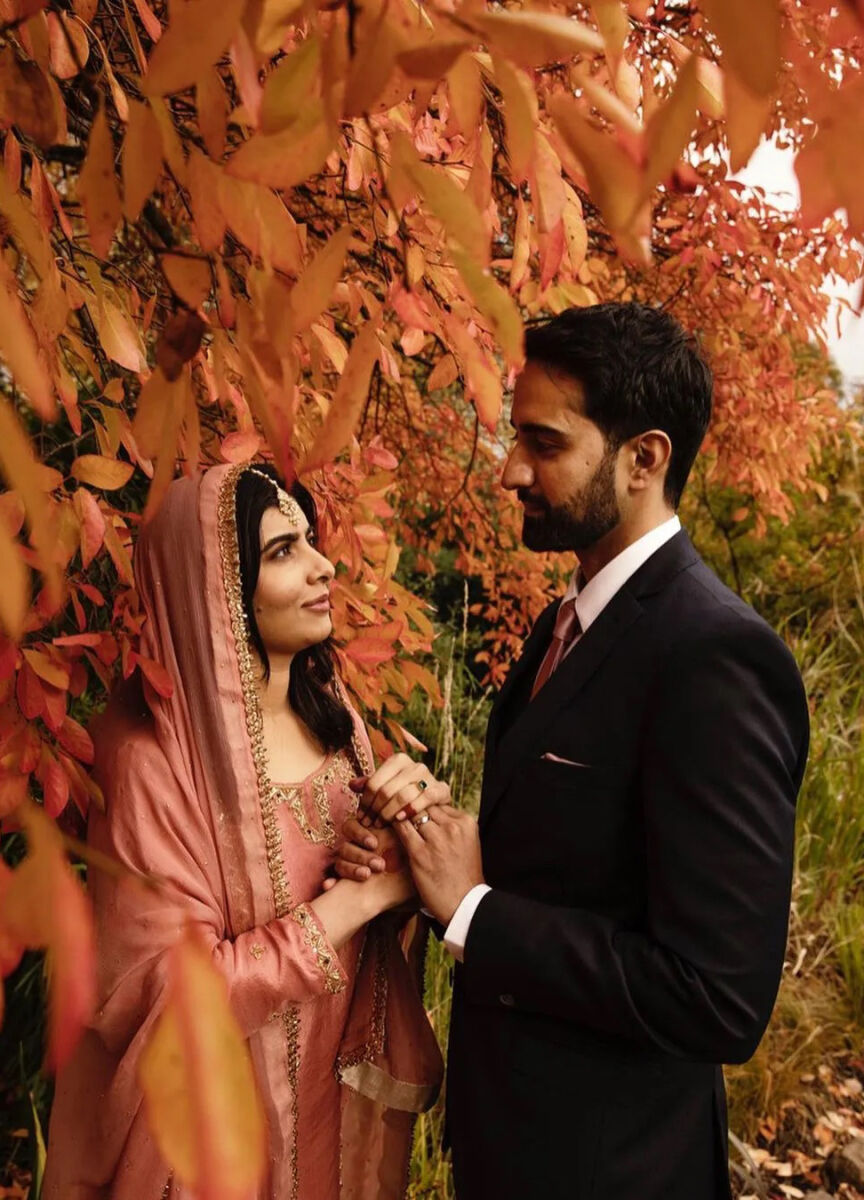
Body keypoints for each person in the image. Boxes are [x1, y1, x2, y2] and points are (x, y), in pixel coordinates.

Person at [335, 302, 810, 1200]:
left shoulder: (712, 655)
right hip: (511, 1149)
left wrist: (475, 912)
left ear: (645, 459)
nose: (510, 470)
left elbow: (717, 996)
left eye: (544, 444)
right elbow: (579, 860)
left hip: (615, 1170)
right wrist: (426, 862)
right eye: (515, 437)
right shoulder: (573, 622)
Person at [43, 463, 445, 1200]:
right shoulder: (149, 761)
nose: (325, 567)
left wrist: (410, 842)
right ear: (216, 589)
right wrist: (355, 902)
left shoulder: (337, 723)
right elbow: (175, 1000)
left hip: (328, 1121)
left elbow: (381, 909)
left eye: (311, 542)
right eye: (285, 551)